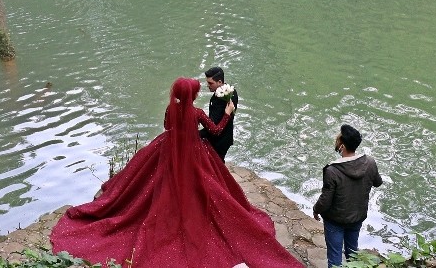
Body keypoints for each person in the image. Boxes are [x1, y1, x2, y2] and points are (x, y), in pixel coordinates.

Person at [50, 78, 304, 268]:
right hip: (193, 151)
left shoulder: (172, 110)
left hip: (167, 147)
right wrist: (227, 115)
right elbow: (215, 132)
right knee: (204, 185)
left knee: (148, 185)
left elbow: (166, 126)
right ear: (193, 95)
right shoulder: (196, 113)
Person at [312, 124, 383, 268]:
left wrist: (316, 209)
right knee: (352, 254)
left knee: (334, 257)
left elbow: (325, 200)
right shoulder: (369, 162)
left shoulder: (332, 170)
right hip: (357, 216)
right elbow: (378, 182)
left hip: (335, 220)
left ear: (342, 146)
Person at [200, 66, 238, 159]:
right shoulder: (231, 91)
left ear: (220, 82)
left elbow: (214, 124)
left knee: (216, 163)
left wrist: (197, 134)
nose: (208, 85)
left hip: (219, 140)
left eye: (210, 83)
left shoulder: (222, 99)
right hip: (224, 137)